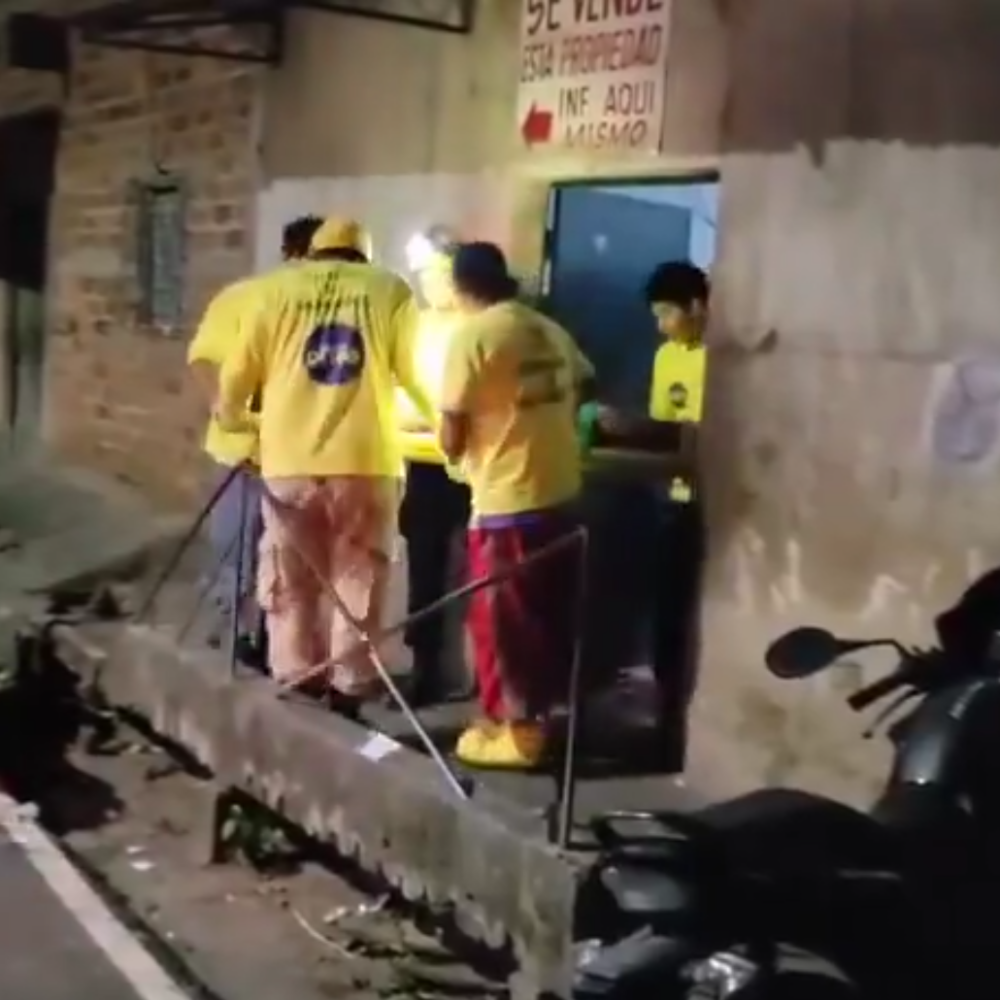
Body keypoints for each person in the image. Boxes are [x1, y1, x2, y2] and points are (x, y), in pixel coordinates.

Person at [214, 216, 431, 701]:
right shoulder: (389, 289)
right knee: (358, 578)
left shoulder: (273, 293)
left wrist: (254, 429)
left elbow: (231, 398)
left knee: (292, 579)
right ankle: (350, 687)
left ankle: (296, 680)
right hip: (366, 463)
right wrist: (442, 426)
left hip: (288, 465)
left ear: (313, 253)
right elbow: (414, 375)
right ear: (363, 255)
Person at [438, 242, 595, 769]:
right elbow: (587, 379)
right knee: (550, 616)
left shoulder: (474, 335)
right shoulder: (547, 328)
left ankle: (521, 735)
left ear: (460, 287)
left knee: (504, 620)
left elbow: (451, 431)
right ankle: (535, 721)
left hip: (510, 499)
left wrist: (459, 449)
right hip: (561, 494)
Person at [187, 214, 323, 660]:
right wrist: (229, 414)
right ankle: (234, 637)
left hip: (306, 456)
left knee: (291, 558)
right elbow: (205, 359)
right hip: (246, 454)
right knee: (238, 549)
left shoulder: (335, 303)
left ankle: (276, 645)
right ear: (294, 254)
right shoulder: (245, 298)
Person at [597, 260, 709, 767]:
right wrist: (627, 429)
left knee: (687, 621)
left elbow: (698, 437)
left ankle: (679, 734)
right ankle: (662, 722)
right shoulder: (668, 356)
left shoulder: (720, 360)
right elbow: (668, 431)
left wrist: (635, 428)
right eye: (658, 315)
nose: (662, 325)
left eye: (668, 313)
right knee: (663, 619)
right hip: (667, 501)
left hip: (706, 505)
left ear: (698, 306)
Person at [395, 226, 472, 706]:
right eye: (423, 275)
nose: (428, 284)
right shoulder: (416, 326)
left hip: (468, 465)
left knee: (472, 572)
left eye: (436, 274)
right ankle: (425, 667)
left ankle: (467, 672)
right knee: (424, 571)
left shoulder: (475, 326)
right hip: (419, 465)